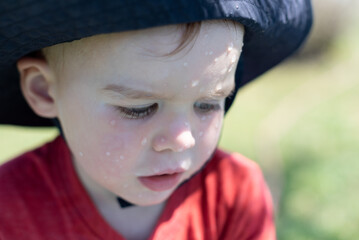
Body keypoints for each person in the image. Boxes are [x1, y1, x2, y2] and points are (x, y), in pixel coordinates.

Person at [0, 1, 312, 239]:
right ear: (44, 90)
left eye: (208, 104)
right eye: (139, 108)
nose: (182, 139)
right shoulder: (8, 208)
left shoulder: (233, 196)